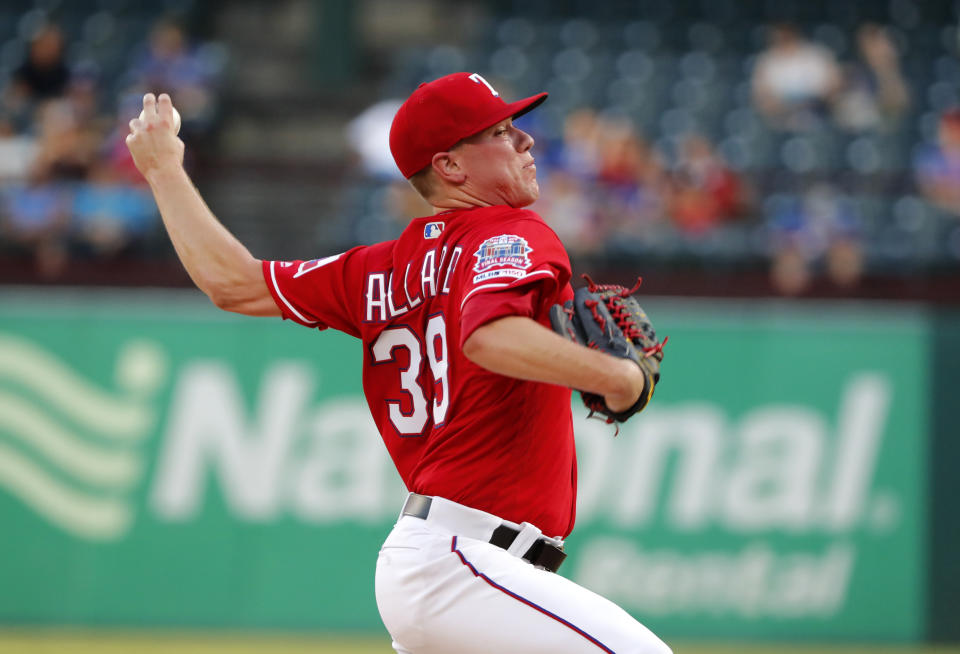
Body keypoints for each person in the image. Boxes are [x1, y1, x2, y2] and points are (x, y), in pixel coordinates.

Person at [125, 73, 671, 654]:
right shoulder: (513, 233)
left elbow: (233, 283)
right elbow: (486, 336)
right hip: (467, 564)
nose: (526, 142)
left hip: (450, 569)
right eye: (502, 132)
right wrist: (620, 379)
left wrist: (163, 171)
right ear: (452, 167)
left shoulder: (374, 268)